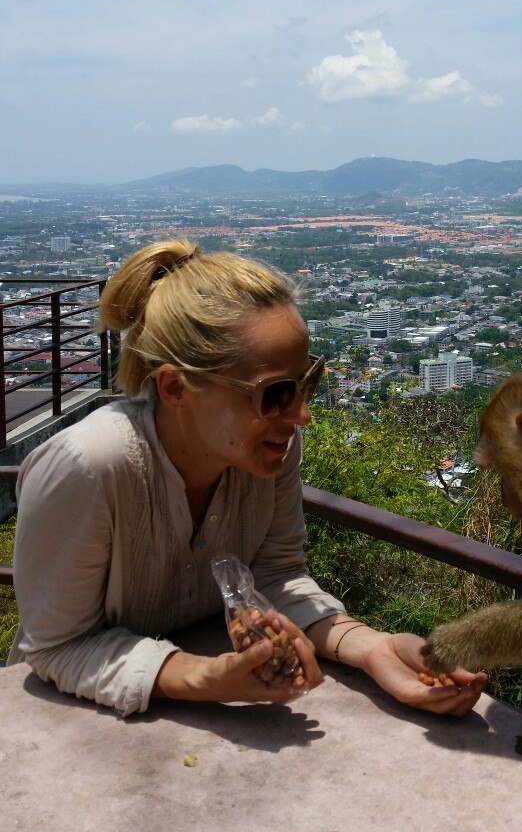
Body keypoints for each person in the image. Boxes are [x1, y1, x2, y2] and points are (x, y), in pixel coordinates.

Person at [9, 240, 486, 718]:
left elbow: (276, 575)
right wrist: (201, 677)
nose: (301, 415)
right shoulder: (87, 467)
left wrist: (367, 646)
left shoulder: (268, 452)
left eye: (307, 382)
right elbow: (56, 646)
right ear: (177, 388)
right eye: (276, 394)